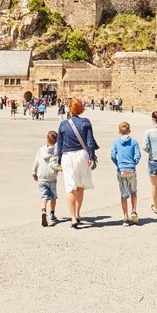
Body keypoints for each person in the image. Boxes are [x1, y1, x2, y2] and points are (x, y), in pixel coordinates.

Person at [56, 98, 99, 228]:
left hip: (67, 156)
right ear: (81, 109)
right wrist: (91, 156)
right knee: (80, 185)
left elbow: (59, 145)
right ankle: (78, 212)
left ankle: (73, 217)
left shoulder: (63, 124)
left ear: (69, 109)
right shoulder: (86, 122)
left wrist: (59, 161)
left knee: (70, 187)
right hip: (82, 155)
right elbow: (90, 142)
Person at [111, 121, 142, 226]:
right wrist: (134, 163)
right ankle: (134, 210)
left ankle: (125, 216)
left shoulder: (116, 142)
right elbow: (138, 155)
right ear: (129, 131)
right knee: (133, 191)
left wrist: (118, 164)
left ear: (119, 131)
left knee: (124, 194)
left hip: (121, 170)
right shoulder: (134, 142)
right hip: (131, 169)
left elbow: (113, 155)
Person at [33, 130, 60, 227]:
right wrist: (59, 168)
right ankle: (52, 214)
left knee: (44, 196)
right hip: (51, 177)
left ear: (47, 139)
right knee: (53, 196)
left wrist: (34, 172)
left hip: (41, 177)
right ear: (56, 140)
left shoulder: (41, 150)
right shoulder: (56, 151)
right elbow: (54, 164)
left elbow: (36, 162)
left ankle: (43, 211)